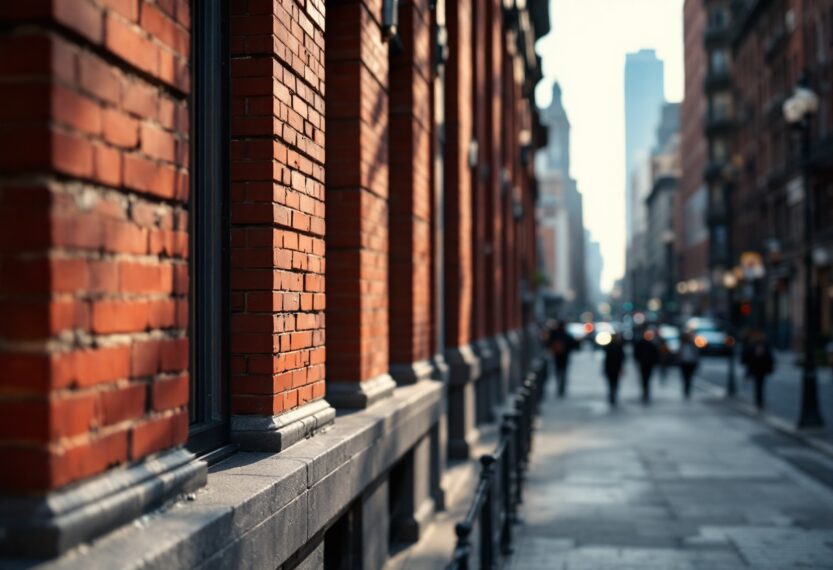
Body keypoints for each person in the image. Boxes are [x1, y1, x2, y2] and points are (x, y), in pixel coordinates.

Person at [742, 329, 774, 410]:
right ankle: (759, 400)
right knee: (759, 384)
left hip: (761, 368)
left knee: (759, 384)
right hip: (757, 368)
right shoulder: (753, 344)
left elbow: (769, 358)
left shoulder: (762, 344)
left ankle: (759, 400)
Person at [548, 321, 578, 397]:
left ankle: (559, 386)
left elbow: (548, 343)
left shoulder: (554, 334)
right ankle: (561, 388)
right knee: (563, 372)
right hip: (564, 357)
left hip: (557, 357)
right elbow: (573, 344)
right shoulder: (566, 335)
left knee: (558, 372)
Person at [633, 329, 660, 403]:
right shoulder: (641, 343)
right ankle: (645, 390)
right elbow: (636, 353)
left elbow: (656, 354)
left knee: (647, 378)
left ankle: (646, 390)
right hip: (643, 363)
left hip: (649, 364)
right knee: (644, 378)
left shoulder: (652, 344)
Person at [603, 334, 626, 406]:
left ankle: (613, 395)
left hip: (615, 368)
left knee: (614, 383)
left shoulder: (618, 347)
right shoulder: (610, 347)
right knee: (612, 383)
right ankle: (612, 395)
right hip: (611, 368)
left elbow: (622, 358)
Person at [678, 332, 700, 399]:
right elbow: (680, 354)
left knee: (689, 377)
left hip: (690, 363)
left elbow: (696, 355)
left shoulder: (692, 346)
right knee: (685, 377)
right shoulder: (682, 345)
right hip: (684, 363)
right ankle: (686, 389)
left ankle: (687, 389)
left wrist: (696, 362)